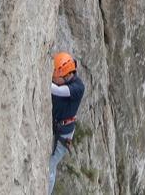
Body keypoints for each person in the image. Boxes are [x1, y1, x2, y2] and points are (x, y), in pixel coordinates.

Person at [49, 52, 86, 192]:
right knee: (50, 167)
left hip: (64, 134)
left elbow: (58, 91)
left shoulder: (78, 87)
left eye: (55, 77)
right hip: (57, 127)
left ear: (66, 75)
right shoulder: (62, 79)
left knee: (49, 167)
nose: (53, 79)